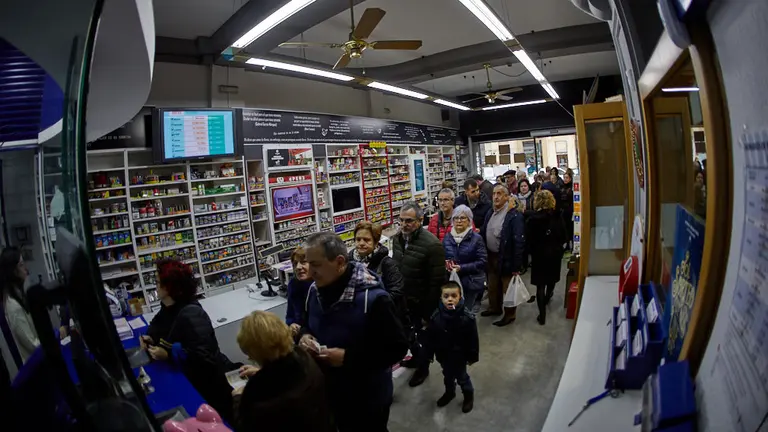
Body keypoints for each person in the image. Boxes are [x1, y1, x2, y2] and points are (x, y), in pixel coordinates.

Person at [298, 232, 408, 432]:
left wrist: (348, 358)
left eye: (315, 264)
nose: (309, 271)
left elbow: (397, 348)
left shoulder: (374, 299)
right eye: (308, 263)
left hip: (367, 398)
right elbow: (307, 323)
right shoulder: (314, 291)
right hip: (328, 392)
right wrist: (304, 335)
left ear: (339, 262)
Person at [142, 258, 237, 421]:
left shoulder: (191, 314)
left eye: (159, 282)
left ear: (171, 286)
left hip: (210, 389)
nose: (156, 286)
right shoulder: (168, 306)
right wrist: (149, 338)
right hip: (189, 378)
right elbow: (155, 327)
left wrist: (169, 354)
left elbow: (204, 357)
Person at [233, 311, 335, 431]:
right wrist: (262, 371)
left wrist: (237, 399)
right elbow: (283, 372)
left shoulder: (263, 402)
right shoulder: (305, 359)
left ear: (254, 354)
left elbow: (246, 425)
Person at [392, 201, 446, 387]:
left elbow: (437, 282)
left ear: (420, 220)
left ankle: (423, 368)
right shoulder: (397, 239)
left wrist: (428, 312)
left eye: (409, 221)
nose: (404, 224)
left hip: (421, 303)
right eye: (401, 220)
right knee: (408, 336)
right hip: (403, 300)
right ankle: (415, 359)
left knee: (423, 339)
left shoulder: (432, 245)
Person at [424, 281, 479, 414]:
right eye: (446, 296)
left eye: (454, 296)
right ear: (441, 298)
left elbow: (473, 340)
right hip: (443, 355)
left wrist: (472, 356)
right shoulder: (436, 317)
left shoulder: (467, 318)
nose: (450, 299)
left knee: (462, 377)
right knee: (447, 375)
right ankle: (450, 393)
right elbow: (431, 337)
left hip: (460, 356)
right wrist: (429, 354)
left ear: (460, 297)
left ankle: (468, 396)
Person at [480, 185, 525, 327]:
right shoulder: (490, 212)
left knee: (508, 288)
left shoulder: (513, 215)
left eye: (500, 194)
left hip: (506, 257)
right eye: (494, 194)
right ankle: (494, 307)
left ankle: (510, 315)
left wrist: (517, 264)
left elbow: (519, 240)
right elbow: (484, 229)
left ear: (507, 197)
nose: (496, 196)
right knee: (493, 285)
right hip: (491, 256)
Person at [350, 221, 406, 323]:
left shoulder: (387, 263)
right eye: (358, 239)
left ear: (376, 242)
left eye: (367, 240)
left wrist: (374, 305)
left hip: (381, 320)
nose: (361, 243)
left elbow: (397, 292)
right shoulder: (349, 261)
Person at [526, 190, 566, 325]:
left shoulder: (532, 219)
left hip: (539, 255)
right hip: (554, 253)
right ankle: (548, 297)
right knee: (552, 279)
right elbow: (564, 236)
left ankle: (542, 315)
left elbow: (529, 240)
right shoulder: (557, 216)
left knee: (540, 285)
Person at [442, 205, 487, 313]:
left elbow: (482, 261)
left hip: (470, 282)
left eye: (463, 218)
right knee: (453, 312)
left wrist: (462, 268)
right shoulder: (447, 238)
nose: (459, 221)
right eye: (456, 218)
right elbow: (443, 256)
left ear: (469, 221)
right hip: (452, 283)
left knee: (467, 312)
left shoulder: (476, 239)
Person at [0, 247, 38, 364]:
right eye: (21, 265)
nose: (25, 268)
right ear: (13, 271)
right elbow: (32, 344)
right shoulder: (13, 306)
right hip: (36, 366)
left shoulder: (19, 294)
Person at [286, 247, 312, 334]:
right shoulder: (293, 284)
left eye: (303, 262)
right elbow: (290, 314)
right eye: (295, 263)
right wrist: (291, 324)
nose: (298, 267)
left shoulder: (320, 285)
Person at [560, 169, 575, 252]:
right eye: (564, 177)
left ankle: (572, 244)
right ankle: (567, 245)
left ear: (570, 178)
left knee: (571, 228)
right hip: (564, 211)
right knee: (565, 229)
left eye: (567, 177)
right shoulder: (562, 187)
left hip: (570, 210)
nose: (565, 179)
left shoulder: (571, 188)